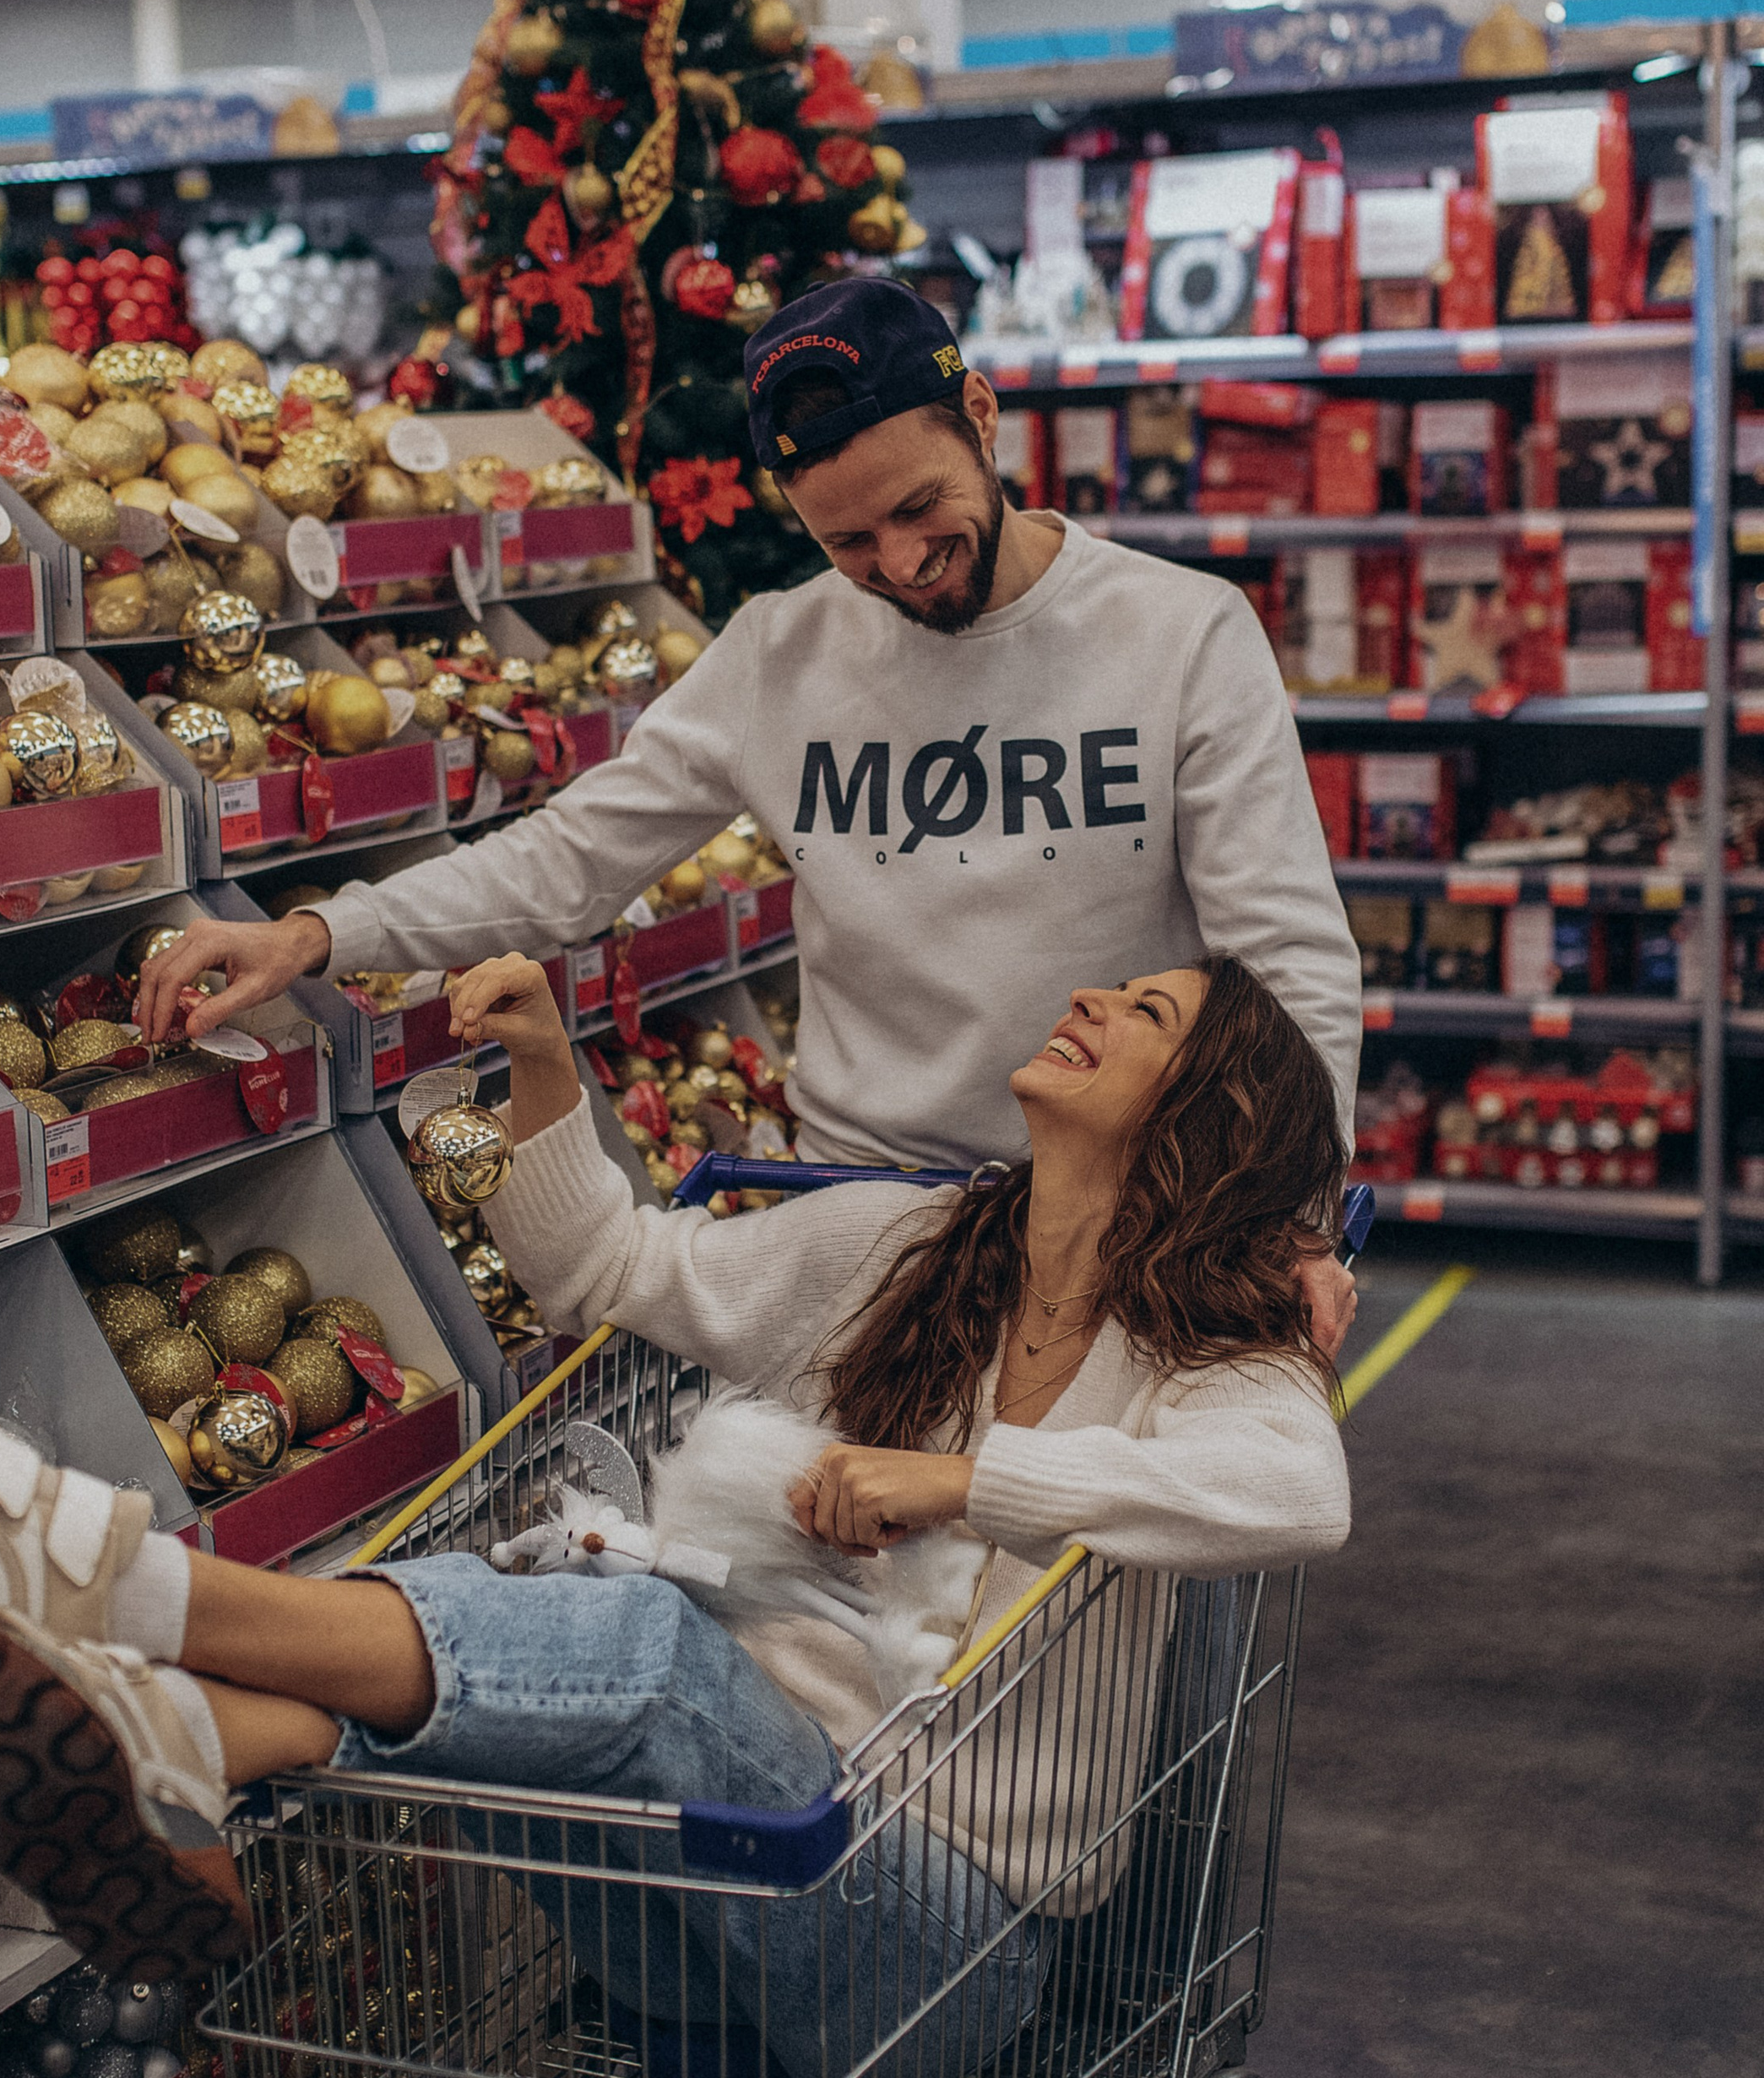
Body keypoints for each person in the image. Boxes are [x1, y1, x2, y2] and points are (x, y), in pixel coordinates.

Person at [0, 947, 1349, 2078]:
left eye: (1143, 1010)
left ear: (1200, 1119)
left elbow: (1297, 1495)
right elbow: (612, 1270)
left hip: (927, 1950)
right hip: (683, 1901)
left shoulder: (1210, 1357)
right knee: (580, 1616)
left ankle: (110, 1587)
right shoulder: (909, 1248)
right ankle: (171, 1732)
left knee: (645, 1651)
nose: (1083, 994)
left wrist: (961, 1480)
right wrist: (547, 1072)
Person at [133, 276, 1364, 1354]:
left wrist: (1294, 1218)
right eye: (849, 540)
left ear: (981, 417)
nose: (899, 563)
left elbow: (1287, 953)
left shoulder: (1183, 634)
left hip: (1122, 1219)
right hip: (863, 1232)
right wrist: (316, 935)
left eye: (922, 507)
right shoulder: (782, 653)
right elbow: (571, 859)